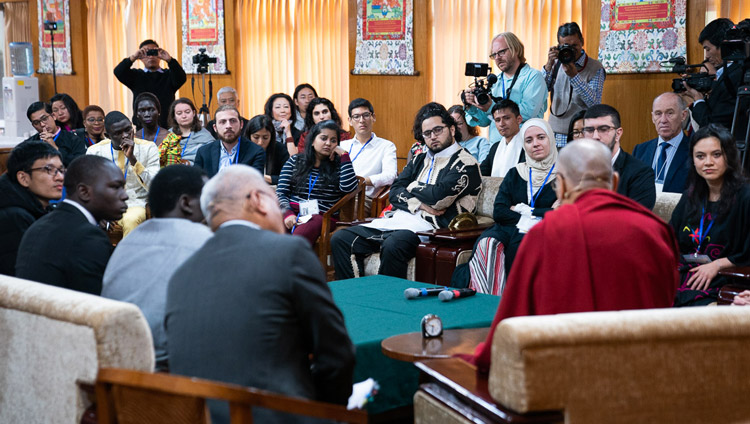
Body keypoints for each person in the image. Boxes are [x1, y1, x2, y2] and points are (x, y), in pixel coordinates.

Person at [467, 139, 680, 373]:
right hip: (645, 371)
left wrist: (485, 359)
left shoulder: (544, 234)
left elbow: (515, 316)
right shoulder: (656, 231)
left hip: (568, 374)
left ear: (561, 186)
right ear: (615, 182)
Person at [165, 165, 355, 424]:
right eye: (278, 202)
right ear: (258, 200)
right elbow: (337, 356)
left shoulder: (180, 274)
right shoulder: (289, 252)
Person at [331, 102, 482, 279]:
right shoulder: (420, 159)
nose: (433, 136)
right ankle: (354, 299)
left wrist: (410, 185)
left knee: (394, 244)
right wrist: (419, 204)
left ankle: (389, 303)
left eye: (438, 130)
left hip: (429, 230)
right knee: (340, 239)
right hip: (397, 221)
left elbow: (438, 198)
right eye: (427, 133)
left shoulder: (466, 163)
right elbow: (394, 191)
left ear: (452, 129)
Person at [101, 165, 212, 371]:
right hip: (164, 374)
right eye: (207, 197)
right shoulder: (202, 239)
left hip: (114, 363)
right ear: (186, 203)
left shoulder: (129, 239)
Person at [463, 119, 558, 294]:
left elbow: (561, 214)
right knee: (487, 243)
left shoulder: (565, 174)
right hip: (508, 228)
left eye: (541, 137)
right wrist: (539, 214)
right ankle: (490, 301)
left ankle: (515, 305)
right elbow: (499, 211)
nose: (535, 144)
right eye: (529, 141)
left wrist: (524, 210)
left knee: (526, 244)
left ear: (550, 139)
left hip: (546, 231)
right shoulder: (516, 172)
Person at [15, 155, 129, 294]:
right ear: (84, 192)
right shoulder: (88, 237)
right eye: (116, 187)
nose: (124, 196)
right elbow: (101, 304)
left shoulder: (39, 224)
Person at [670, 124, 750, 307]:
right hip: (686, 275)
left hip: (725, 279)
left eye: (716, 154)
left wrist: (717, 265)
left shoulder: (745, 196)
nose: (707, 162)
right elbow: (671, 240)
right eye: (700, 156)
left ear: (729, 156)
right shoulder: (690, 196)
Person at [276, 120, 358, 245]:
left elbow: (349, 188)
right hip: (293, 211)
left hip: (322, 216)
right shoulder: (295, 161)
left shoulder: (339, 165)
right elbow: (281, 192)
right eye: (323, 138)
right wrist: (288, 213)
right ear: (313, 141)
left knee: (298, 238)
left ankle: (287, 261)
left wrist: (344, 155)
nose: (328, 143)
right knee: (272, 231)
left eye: (333, 140)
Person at [464, 32, 547, 145]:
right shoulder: (494, 82)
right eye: (494, 55)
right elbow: (485, 122)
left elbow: (528, 112)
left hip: (525, 146)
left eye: (502, 52)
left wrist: (491, 107)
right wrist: (472, 107)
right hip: (497, 147)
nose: (497, 58)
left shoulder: (533, 76)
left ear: (516, 49)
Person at [87, 111, 160, 237]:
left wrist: (133, 159)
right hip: (105, 205)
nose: (125, 135)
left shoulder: (148, 148)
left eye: (128, 130)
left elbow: (154, 187)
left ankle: (128, 256)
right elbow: (89, 187)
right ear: (107, 136)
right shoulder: (95, 151)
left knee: (131, 219)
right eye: (118, 133)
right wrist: (97, 211)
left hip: (135, 204)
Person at [0, 141, 63, 276]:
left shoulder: (43, 208)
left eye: (60, 170)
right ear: (23, 178)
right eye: (49, 170)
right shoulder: (12, 217)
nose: (60, 177)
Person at [543, 22, 606, 147]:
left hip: (580, 136)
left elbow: (594, 103)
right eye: (566, 46)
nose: (571, 50)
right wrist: (548, 66)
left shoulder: (595, 67)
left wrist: (574, 76)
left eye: (574, 45)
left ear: (582, 41)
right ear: (559, 46)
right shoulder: (556, 63)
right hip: (554, 134)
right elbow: (541, 91)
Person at [583, 104, 656, 209]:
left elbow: (635, 220)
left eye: (603, 129)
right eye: (589, 130)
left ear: (618, 134)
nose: (595, 137)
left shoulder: (640, 173)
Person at [684, 18, 743, 130]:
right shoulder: (733, 71)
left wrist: (697, 98)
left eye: (707, 49)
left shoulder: (733, 77)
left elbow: (712, 126)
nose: (706, 56)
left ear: (722, 46)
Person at [113, 39, 187, 128]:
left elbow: (181, 78)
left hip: (167, 125)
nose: (151, 57)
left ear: (159, 56)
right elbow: (118, 72)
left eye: (154, 53)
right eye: (147, 53)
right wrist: (133, 57)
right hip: (142, 126)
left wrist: (170, 60)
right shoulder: (136, 76)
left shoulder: (169, 75)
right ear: (140, 57)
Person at [341, 98, 398, 203]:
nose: (362, 120)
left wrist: (361, 181)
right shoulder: (342, 146)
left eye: (366, 115)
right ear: (349, 121)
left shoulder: (386, 146)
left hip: (363, 199)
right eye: (356, 117)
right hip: (339, 195)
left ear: (373, 117)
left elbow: (390, 176)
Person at [633, 93, 691, 194]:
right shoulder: (640, 150)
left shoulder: (694, 150)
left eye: (670, 113)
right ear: (652, 117)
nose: (663, 120)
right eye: (658, 113)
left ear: (683, 115)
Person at [194, 105, 265, 178]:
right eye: (223, 122)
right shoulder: (204, 152)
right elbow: (196, 182)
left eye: (233, 121)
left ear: (241, 124)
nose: (228, 126)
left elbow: (255, 183)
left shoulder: (256, 152)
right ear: (215, 128)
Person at [24, 102, 86, 167]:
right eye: (36, 122)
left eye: (44, 118)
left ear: (53, 116)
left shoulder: (74, 139)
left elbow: (80, 165)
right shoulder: (29, 144)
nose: (42, 124)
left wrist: (55, 148)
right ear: (33, 125)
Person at [159, 98, 214, 166]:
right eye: (179, 113)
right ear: (174, 117)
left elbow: (210, 161)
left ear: (194, 113)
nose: (184, 116)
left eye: (187, 112)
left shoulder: (205, 135)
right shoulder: (168, 135)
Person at [479, 99, 526, 177]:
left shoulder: (528, 146)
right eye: (497, 120)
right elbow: (480, 173)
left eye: (506, 118)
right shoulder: (495, 148)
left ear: (519, 119)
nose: (501, 124)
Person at [246, 115, 289, 185]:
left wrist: (263, 177)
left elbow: (288, 178)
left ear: (271, 137)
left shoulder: (279, 149)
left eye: (265, 138)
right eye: (256, 137)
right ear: (249, 136)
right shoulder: (242, 149)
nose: (260, 142)